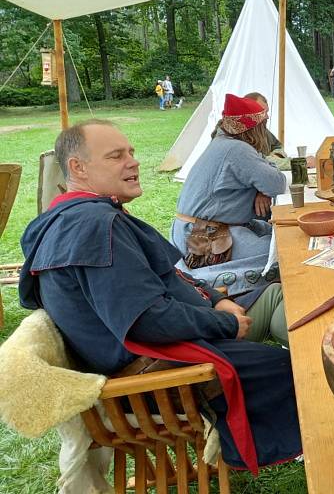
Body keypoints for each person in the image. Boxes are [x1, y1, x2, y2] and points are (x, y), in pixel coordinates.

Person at [18, 119, 302, 472]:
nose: (133, 162)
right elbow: (148, 321)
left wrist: (215, 298)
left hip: (166, 351)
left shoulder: (84, 217)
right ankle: (317, 443)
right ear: (78, 167)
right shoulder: (92, 227)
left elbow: (171, 276)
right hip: (156, 376)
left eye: (132, 152)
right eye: (116, 156)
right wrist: (224, 322)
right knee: (295, 370)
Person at [171, 94, 287, 295]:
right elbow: (276, 183)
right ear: (254, 128)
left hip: (205, 228)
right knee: (283, 253)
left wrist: (261, 188)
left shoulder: (223, 143)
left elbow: (264, 173)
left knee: (281, 235)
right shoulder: (237, 149)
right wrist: (264, 186)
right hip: (206, 236)